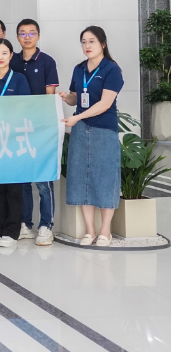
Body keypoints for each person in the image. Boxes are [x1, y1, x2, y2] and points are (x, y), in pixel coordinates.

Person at [60, 26, 124, 247]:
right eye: (84, 42)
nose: (87, 46)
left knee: (105, 178)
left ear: (103, 44)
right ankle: (90, 230)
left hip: (104, 130)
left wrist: (77, 117)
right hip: (80, 130)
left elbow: (105, 104)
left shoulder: (112, 69)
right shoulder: (79, 69)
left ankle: (105, 231)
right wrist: (66, 97)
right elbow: (76, 98)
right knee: (81, 178)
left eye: (92, 41)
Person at [10, 18, 60, 246]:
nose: (27, 37)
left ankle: (46, 226)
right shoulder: (12, 60)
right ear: (17, 37)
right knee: (22, 180)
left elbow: (49, 97)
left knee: (42, 180)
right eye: (23, 33)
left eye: (32, 33)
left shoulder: (47, 61)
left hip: (40, 127)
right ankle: (25, 224)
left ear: (38, 36)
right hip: (17, 127)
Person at [0, 39, 30, 248]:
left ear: (11, 55)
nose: (0, 57)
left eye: (4, 53)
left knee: (13, 188)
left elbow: (24, 107)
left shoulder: (19, 79)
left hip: (13, 139)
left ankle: (12, 231)